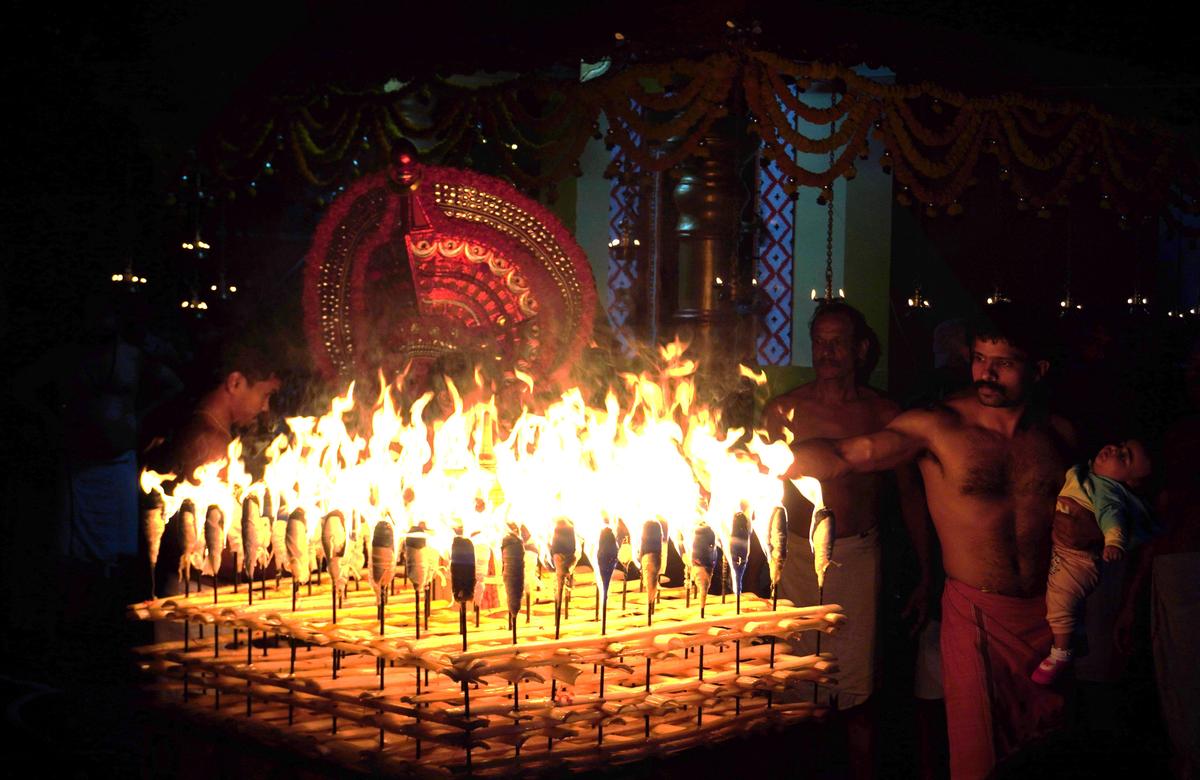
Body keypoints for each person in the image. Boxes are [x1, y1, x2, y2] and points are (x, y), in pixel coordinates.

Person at [785, 304, 1077, 779]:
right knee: (978, 762)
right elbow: (847, 455)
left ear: (1038, 369)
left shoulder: (1060, 435)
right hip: (977, 616)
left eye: (1003, 362)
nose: (987, 372)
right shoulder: (939, 427)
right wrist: (768, 457)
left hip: (1050, 617)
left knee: (1043, 752)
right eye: (980, 358)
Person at [763, 301, 931, 779]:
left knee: (857, 689)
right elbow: (764, 498)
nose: (826, 351)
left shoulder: (883, 413)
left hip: (858, 556)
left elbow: (909, 496)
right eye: (819, 341)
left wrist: (925, 571)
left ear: (860, 350)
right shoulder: (784, 410)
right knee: (793, 682)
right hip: (794, 556)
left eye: (838, 342)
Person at [1032, 439, 1152, 684]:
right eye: (1120, 445)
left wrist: (1113, 543)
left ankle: (1061, 654)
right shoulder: (1087, 477)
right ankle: (1074, 636)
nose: (1114, 449)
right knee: (1057, 600)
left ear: (1126, 481)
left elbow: (1112, 519)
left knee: (1060, 601)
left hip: (1078, 560)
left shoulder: (1108, 493)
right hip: (1064, 553)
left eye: (1124, 457)